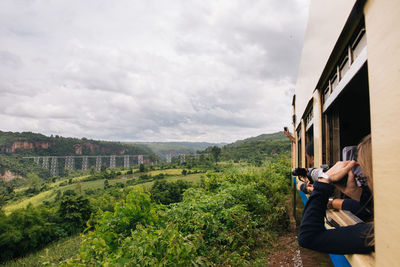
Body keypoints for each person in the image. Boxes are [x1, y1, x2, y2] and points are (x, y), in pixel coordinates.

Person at [298, 135, 374, 254]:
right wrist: (357, 194)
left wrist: (323, 181)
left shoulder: (376, 233)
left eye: (365, 177)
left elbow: (308, 237)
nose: (363, 181)